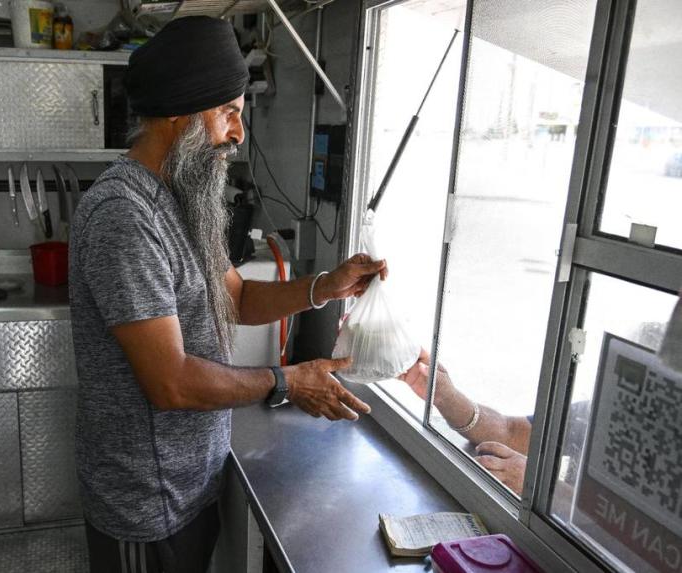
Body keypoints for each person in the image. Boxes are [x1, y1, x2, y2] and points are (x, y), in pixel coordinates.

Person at [69, 16, 387, 572]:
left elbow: (234, 298)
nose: (238, 134)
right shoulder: (124, 215)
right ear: (179, 112)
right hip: (147, 503)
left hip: (191, 484)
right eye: (228, 113)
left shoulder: (182, 197)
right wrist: (287, 381)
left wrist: (324, 287)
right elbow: (170, 382)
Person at [398, 349, 590, 497]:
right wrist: (445, 396)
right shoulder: (595, 413)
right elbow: (510, 433)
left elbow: (615, 535)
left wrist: (542, 488)